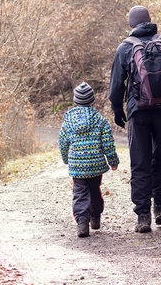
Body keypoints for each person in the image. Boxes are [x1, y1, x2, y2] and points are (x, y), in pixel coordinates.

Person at [109, 5, 161, 233]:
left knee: (140, 163)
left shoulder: (125, 47)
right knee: (160, 160)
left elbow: (116, 84)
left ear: (132, 24)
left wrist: (117, 109)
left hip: (138, 113)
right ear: (149, 21)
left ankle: (143, 216)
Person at [59, 82, 120, 237]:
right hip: (95, 165)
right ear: (92, 101)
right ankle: (95, 217)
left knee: (79, 193)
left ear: (75, 101)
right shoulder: (100, 120)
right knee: (94, 190)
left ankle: (81, 222)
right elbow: (108, 143)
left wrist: (67, 159)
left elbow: (63, 142)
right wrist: (113, 161)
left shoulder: (68, 121)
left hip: (77, 166)